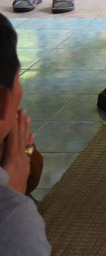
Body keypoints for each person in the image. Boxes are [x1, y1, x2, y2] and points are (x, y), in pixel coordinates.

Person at [0, 13, 51, 254]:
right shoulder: (12, 220)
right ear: (3, 100)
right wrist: (11, 194)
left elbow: (34, 172)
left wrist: (25, 151)